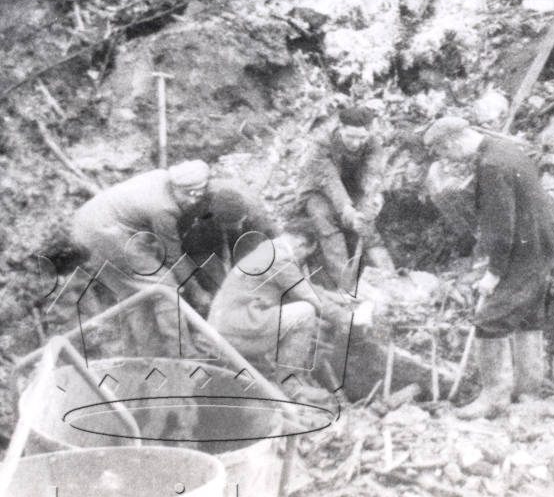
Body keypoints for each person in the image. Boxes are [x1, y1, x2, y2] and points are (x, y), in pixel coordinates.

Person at [421, 117, 554, 418]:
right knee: (528, 315)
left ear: (453, 142)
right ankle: (528, 391)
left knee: (490, 321)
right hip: (543, 240)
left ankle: (494, 397)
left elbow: (501, 225)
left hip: (525, 247)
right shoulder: (505, 148)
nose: (448, 159)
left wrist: (494, 273)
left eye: (444, 152)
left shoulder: (491, 165)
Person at [67, 160, 211, 352]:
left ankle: (151, 355)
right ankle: (184, 355)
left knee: (134, 297)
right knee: (165, 287)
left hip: (84, 228)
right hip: (106, 234)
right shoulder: (164, 209)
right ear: (175, 186)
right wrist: (196, 292)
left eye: (197, 194)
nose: (192, 201)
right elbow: (173, 257)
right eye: (187, 194)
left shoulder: (160, 176)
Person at [207, 232, 347, 398]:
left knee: (293, 310)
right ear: (301, 242)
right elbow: (313, 299)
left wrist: (337, 297)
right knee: (305, 312)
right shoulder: (280, 260)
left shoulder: (270, 249)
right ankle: (289, 384)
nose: (304, 260)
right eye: (307, 255)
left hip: (222, 328)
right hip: (231, 337)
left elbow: (301, 284)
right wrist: (349, 318)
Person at [296, 106, 393, 291]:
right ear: (340, 128)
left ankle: (392, 280)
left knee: (367, 228)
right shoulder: (322, 142)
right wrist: (348, 212)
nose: (356, 143)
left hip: (352, 188)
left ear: (369, 132)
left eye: (361, 138)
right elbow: (330, 181)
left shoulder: (372, 143)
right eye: (350, 137)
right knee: (324, 220)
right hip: (318, 190)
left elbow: (373, 173)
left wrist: (373, 199)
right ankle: (346, 288)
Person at [178, 176, 281, 313]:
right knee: (215, 279)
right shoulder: (202, 208)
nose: (238, 227)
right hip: (211, 223)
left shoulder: (255, 215)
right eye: (233, 225)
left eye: (239, 223)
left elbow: (245, 261)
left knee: (249, 266)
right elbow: (188, 244)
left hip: (252, 224)